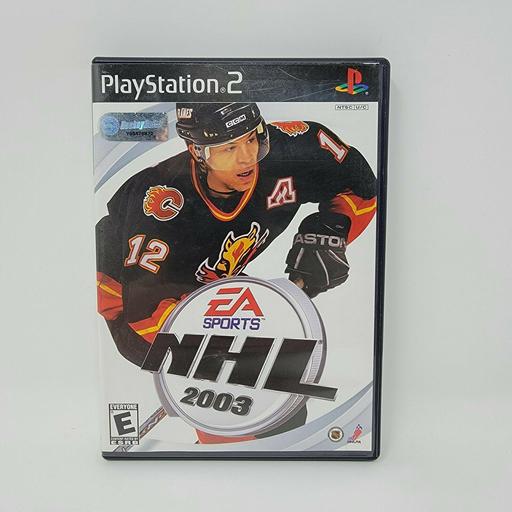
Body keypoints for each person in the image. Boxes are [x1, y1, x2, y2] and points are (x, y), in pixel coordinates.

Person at [96, 102, 377, 443]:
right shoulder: (163, 205)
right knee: (237, 392)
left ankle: (270, 445)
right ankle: (224, 457)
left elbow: (360, 184)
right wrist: (227, 350)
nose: (247, 158)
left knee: (283, 399)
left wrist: (332, 230)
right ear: (197, 151)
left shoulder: (295, 150)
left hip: (206, 280)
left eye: (252, 139)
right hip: (127, 294)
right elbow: (143, 318)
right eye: (228, 148)